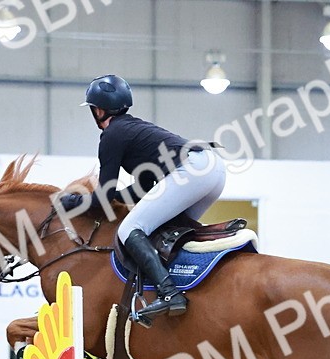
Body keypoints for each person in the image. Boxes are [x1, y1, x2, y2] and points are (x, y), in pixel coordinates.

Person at [58, 74, 226, 324]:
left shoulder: (112, 135)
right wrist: (113, 198)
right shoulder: (133, 129)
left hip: (190, 171)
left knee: (129, 229)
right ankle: (188, 282)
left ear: (98, 110)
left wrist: (69, 202)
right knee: (167, 231)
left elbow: (100, 200)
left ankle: (170, 293)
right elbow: (141, 190)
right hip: (212, 169)